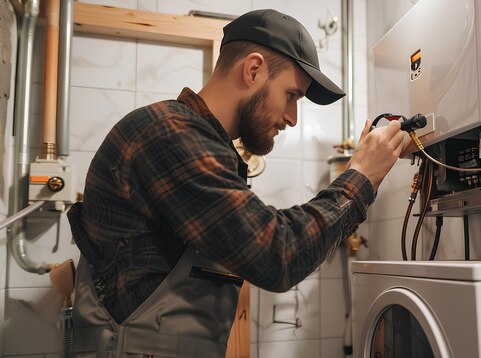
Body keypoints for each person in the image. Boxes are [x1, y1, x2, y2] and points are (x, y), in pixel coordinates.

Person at [67, 8, 404, 357]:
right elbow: (278, 254)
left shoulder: (200, 143)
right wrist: (360, 177)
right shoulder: (168, 134)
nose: (292, 117)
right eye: (291, 95)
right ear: (253, 69)